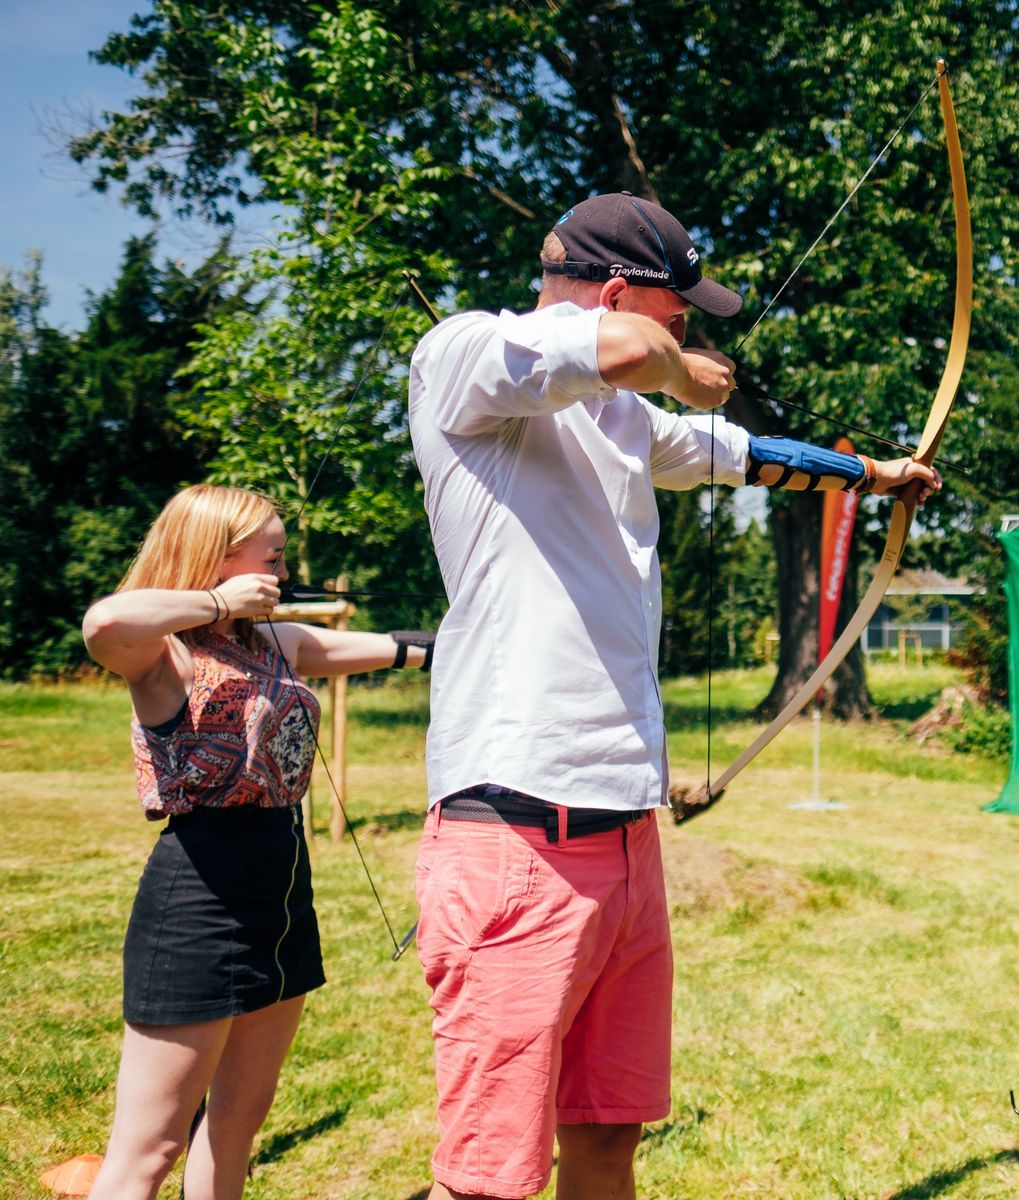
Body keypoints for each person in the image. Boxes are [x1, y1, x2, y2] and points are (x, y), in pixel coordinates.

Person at [406, 191, 939, 1200]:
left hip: (624, 841)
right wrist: (682, 370)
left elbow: (751, 457)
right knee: (487, 1178)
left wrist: (876, 473)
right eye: (681, 315)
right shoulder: (463, 357)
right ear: (617, 293)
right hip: (516, 831)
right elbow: (601, 351)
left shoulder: (623, 422)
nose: (695, 340)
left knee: (606, 1139)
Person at [78, 484, 432, 1200]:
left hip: (282, 888)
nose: (281, 561)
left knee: (237, 1123)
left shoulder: (273, 642)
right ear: (216, 555)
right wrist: (219, 602)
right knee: (150, 1149)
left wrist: (479, 640)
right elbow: (104, 619)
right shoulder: (159, 653)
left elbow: (397, 648)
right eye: (269, 550)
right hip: (198, 895)